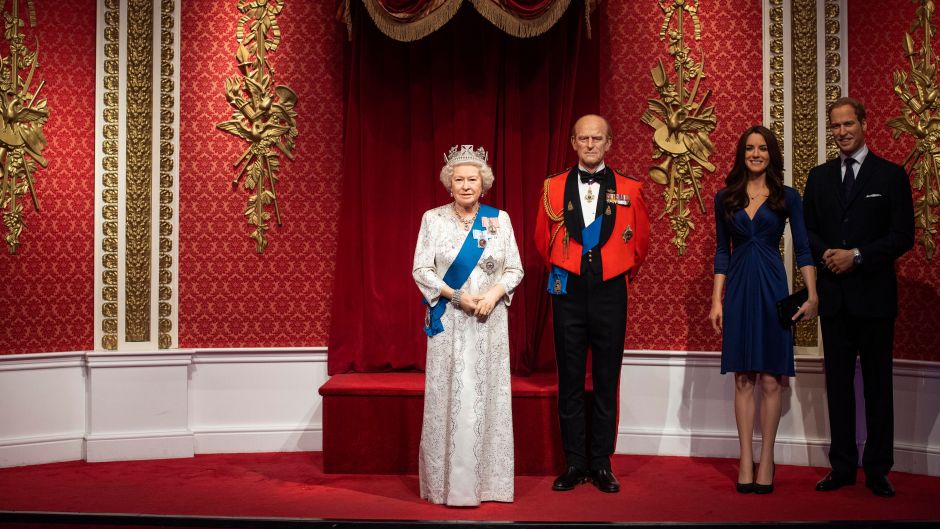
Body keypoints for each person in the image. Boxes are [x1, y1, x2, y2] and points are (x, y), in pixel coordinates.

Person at [803, 97, 914, 498]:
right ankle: (842, 467)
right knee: (838, 388)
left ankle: (878, 469)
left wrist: (858, 256)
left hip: (875, 300)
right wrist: (829, 255)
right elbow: (807, 231)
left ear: (865, 124)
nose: (843, 132)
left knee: (878, 387)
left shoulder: (891, 176)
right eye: (836, 126)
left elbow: (903, 237)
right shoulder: (818, 177)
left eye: (849, 124)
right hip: (834, 301)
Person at [534, 114, 650, 493]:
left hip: (609, 292)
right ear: (573, 142)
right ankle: (574, 463)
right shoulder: (552, 188)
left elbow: (642, 242)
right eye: (583, 138)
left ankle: (601, 463)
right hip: (567, 291)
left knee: (605, 379)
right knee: (569, 379)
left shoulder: (630, 188)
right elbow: (541, 239)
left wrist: (615, 271)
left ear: (609, 143)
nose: (589, 145)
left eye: (596, 139)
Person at [412, 144, 524, 506]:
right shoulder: (433, 219)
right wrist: (456, 296)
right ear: (449, 184)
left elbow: (514, 269)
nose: (465, 185)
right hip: (449, 320)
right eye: (458, 179)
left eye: (472, 179)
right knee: (450, 395)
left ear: (483, 183)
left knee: (485, 394)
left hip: (488, 321)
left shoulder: (498, 220)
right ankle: (445, 485)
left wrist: (492, 296)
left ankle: (488, 484)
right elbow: (421, 270)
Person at [709, 125, 818, 494]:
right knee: (743, 377)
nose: (756, 154)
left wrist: (812, 295)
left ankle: (767, 457)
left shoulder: (788, 197)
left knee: (771, 378)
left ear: (772, 154)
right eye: (749, 148)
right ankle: (744, 458)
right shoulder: (724, 196)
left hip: (773, 285)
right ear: (741, 154)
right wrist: (715, 300)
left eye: (763, 148)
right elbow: (723, 252)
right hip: (738, 287)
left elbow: (803, 248)